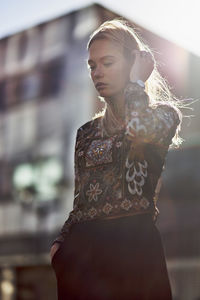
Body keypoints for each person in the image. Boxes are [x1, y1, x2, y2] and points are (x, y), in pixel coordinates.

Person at [50, 19, 182, 300]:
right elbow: (80, 202)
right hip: (81, 260)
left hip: (134, 252)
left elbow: (138, 129)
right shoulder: (85, 133)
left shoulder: (165, 115)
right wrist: (59, 247)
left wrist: (136, 84)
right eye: (92, 66)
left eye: (107, 63)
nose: (97, 72)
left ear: (134, 63)